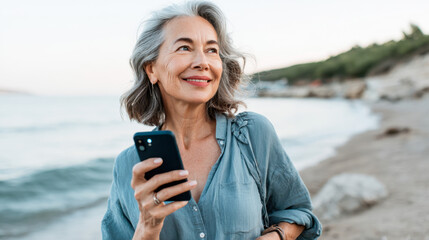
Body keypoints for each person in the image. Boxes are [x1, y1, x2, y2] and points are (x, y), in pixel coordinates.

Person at [101, 1, 322, 239]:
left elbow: (298, 212)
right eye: (184, 48)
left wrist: (277, 235)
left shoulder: (253, 134)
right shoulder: (128, 166)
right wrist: (148, 226)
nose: (203, 62)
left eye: (211, 50)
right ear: (151, 69)